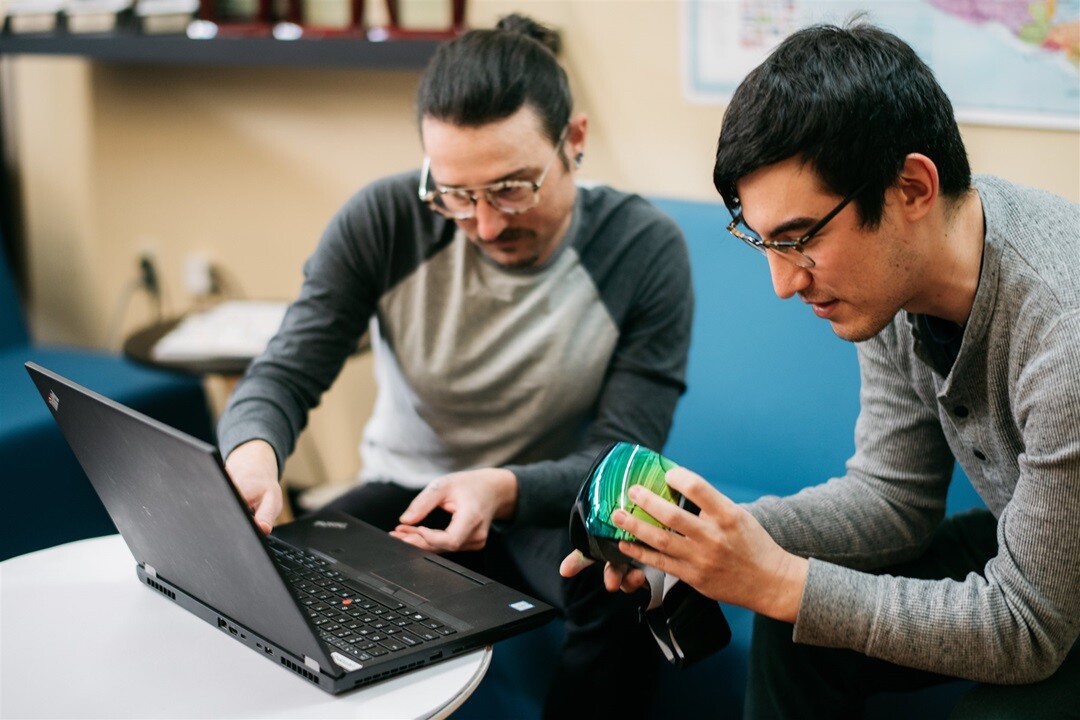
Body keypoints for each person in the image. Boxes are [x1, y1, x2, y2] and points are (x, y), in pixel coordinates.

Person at [561, 21, 1079, 718]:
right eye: (764, 241)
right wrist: (700, 537)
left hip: (1047, 602)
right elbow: (892, 500)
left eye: (800, 238)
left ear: (913, 188)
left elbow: (1028, 628)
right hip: (1043, 542)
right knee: (796, 633)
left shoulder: (1062, 334)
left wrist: (779, 580)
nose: (783, 282)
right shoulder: (896, 282)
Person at [216, 14, 693, 718]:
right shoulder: (383, 220)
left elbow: (626, 456)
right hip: (404, 492)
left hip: (551, 502)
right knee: (273, 579)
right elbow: (285, 374)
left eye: (512, 189)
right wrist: (254, 453)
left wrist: (499, 490)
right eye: (457, 196)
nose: (488, 224)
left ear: (576, 142)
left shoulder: (642, 249)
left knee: (623, 587)